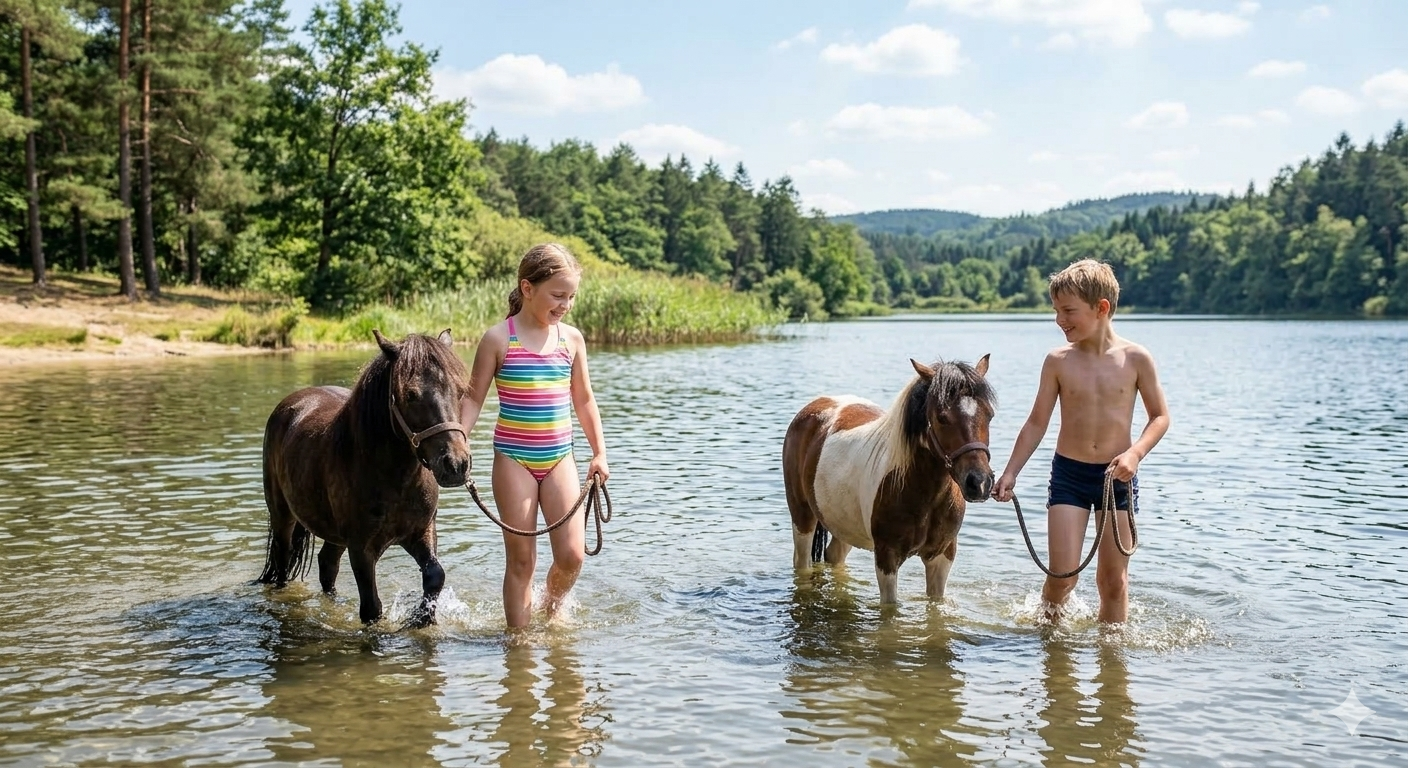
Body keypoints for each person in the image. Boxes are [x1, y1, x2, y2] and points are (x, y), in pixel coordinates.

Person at [992, 259, 1170, 624]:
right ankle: (1049, 639)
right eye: (1056, 311)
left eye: (1068, 311)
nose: (1059, 320)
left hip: (1116, 479)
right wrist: (1010, 473)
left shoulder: (1136, 358)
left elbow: (1160, 417)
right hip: (1069, 476)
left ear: (1101, 308)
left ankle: (1112, 654)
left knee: (1114, 583)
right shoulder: (1057, 361)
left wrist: (1135, 453)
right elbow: (1036, 422)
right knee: (1062, 577)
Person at [460, 243, 610, 629]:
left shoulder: (571, 340)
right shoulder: (498, 339)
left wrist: (599, 453)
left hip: (560, 458)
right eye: (558, 295)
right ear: (528, 289)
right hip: (514, 460)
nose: (565, 305)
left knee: (572, 556)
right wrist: (459, 438)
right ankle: (519, 643)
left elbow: (584, 400)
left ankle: (551, 610)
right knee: (522, 561)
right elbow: (473, 399)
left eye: (571, 297)